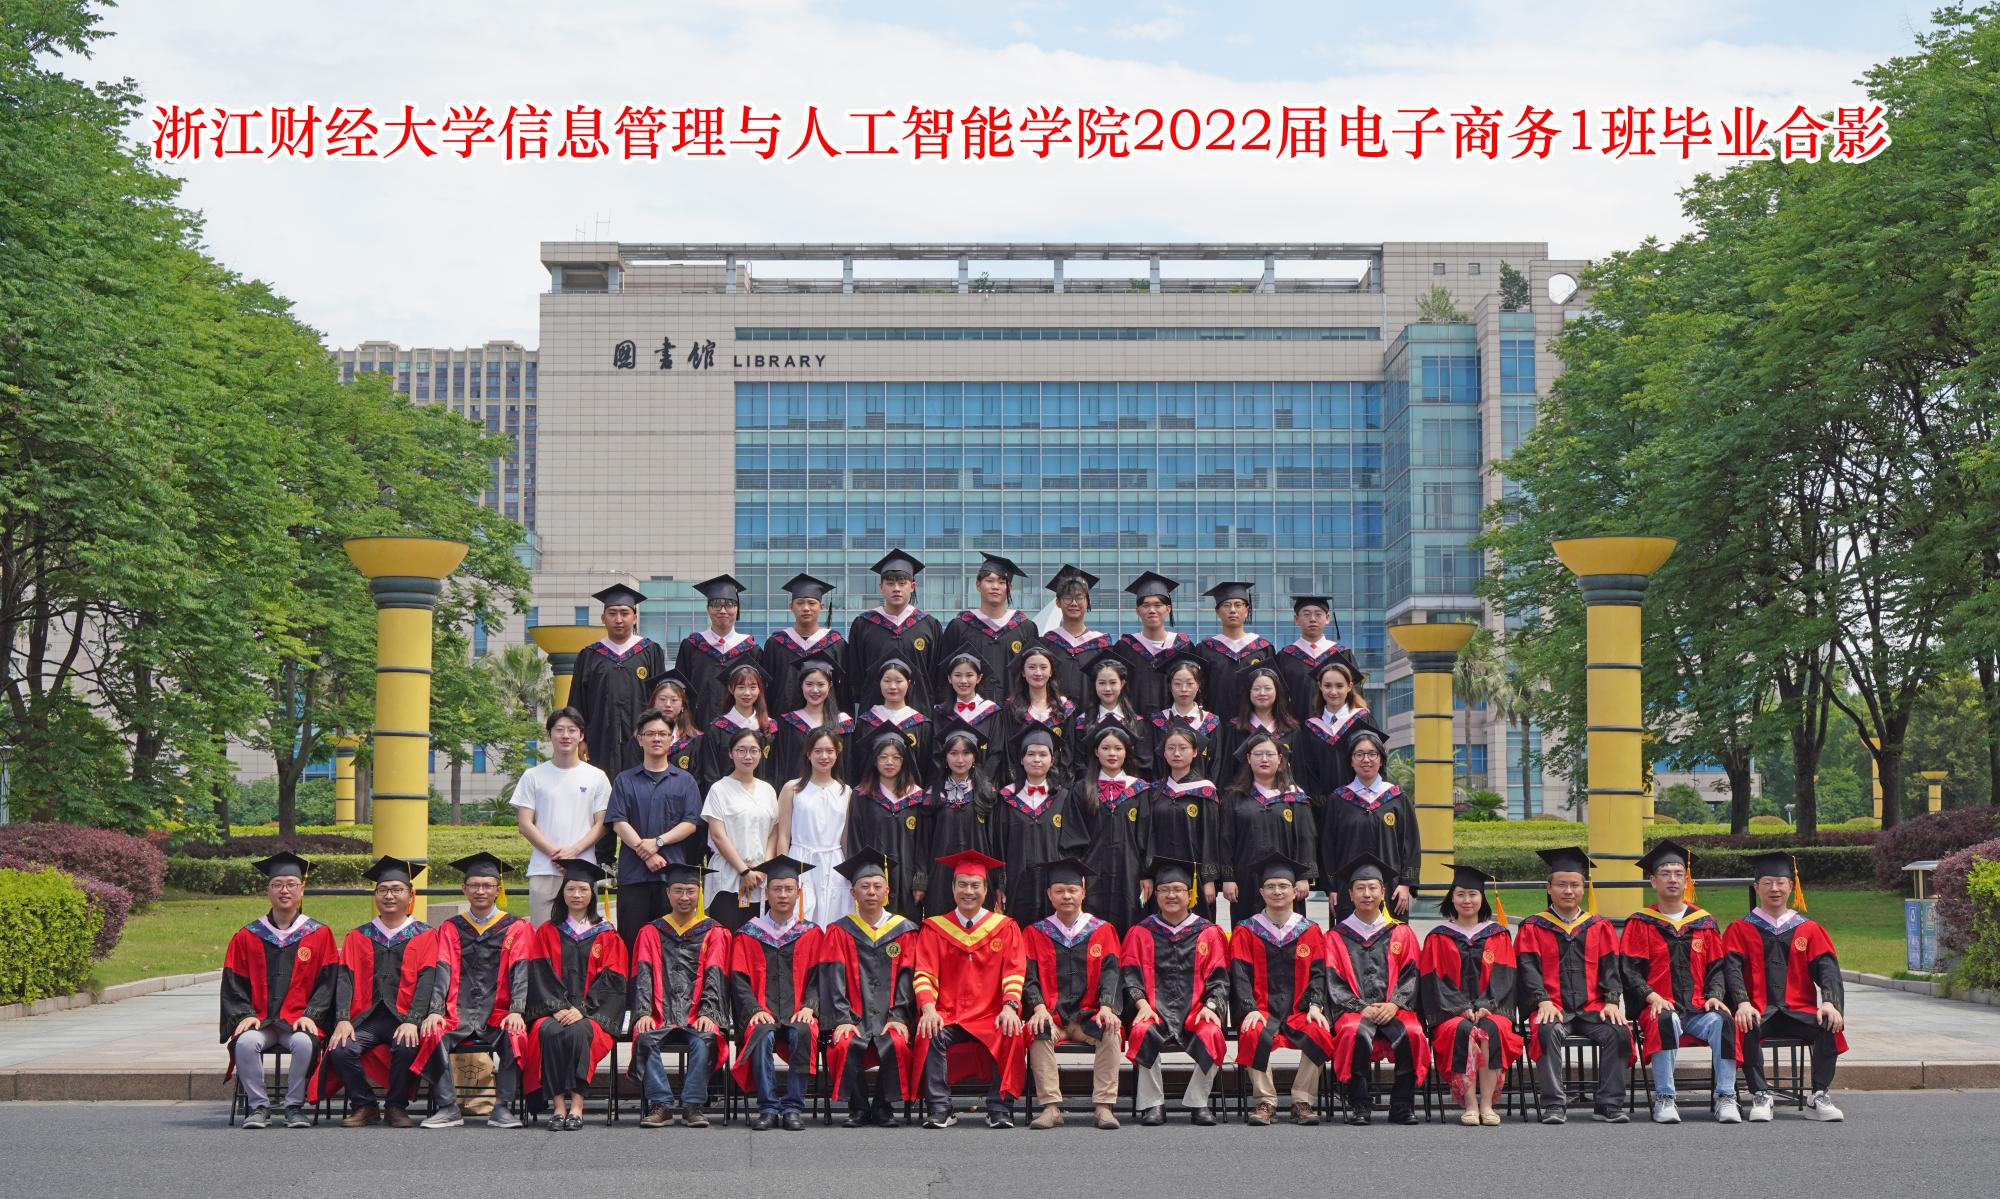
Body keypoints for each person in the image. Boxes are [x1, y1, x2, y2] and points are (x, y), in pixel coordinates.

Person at [416, 852, 538, 1130]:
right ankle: (448, 1107)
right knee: (432, 1032)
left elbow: (521, 971)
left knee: (516, 1035)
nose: (480, 891)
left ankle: (502, 1107)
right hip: (456, 1012)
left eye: (487, 885)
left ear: (498, 889)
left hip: (499, 1012)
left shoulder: (516, 928)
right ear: (464, 889)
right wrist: (435, 1011)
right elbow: (442, 969)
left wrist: (517, 1010)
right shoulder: (451, 928)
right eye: (474, 885)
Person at [1725, 852, 1847, 1123]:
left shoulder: (1809, 929)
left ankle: (1819, 1095)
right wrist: (1742, 1003)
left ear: (1791, 886)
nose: (1775, 889)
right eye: (1767, 883)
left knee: (1829, 1022)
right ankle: (1760, 1094)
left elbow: (1827, 969)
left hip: (1798, 1011)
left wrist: (1830, 1002)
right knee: (1744, 1023)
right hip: (1759, 1011)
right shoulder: (1740, 929)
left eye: (1780, 882)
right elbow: (1732, 971)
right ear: (1756, 888)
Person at [1622, 839, 1737, 1124]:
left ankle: (1726, 1096)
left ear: (1687, 881)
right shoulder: (1641, 922)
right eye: (1665, 873)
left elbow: (1717, 967)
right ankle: (1665, 1098)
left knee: (1723, 1021)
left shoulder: (1704, 922)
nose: (1672, 879)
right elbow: (1630, 970)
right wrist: (1651, 996)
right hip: (1659, 1007)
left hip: (1698, 1009)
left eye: (1678, 874)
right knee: (1665, 1019)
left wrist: (1716, 994)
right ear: (1653, 881)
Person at [220, 852, 338, 1129]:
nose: (284, 890)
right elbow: (233, 982)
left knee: (304, 1043)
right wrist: (245, 1014)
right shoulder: (247, 936)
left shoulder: (319, 934)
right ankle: (258, 1107)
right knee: (246, 1043)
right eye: (277, 884)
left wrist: (312, 1014)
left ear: (301, 890)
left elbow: (329, 982)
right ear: (268, 890)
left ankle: (293, 1106)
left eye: (291, 884)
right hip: (261, 1020)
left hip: (298, 1020)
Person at [912, 849, 1028, 1129]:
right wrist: (928, 1009)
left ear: (986, 889)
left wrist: (1009, 1007)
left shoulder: (1005, 927)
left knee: (1012, 1030)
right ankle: (940, 1108)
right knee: (929, 1031)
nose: (968, 891)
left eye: (975, 885)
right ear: (952, 888)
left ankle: (999, 1108)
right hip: (948, 1014)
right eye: (962, 884)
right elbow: (924, 973)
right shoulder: (935, 929)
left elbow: (1014, 971)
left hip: (990, 1014)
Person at [1515, 846, 1631, 1125]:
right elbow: (1527, 968)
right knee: (1546, 1031)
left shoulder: (1599, 926)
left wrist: (1611, 1001)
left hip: (1592, 1008)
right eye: (1561, 884)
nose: (1568, 891)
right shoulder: (1533, 927)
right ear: (1549, 888)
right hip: (1552, 1006)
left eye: (1575, 885)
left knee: (1618, 1032)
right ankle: (1554, 1104)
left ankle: (1608, 1104)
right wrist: (1542, 999)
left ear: (1584, 887)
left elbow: (1611, 967)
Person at [326, 855, 438, 1128]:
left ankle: (395, 1106)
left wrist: (413, 1020)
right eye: (383, 890)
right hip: (368, 1018)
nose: (389, 896)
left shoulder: (425, 935)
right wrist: (342, 1019)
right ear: (375, 895)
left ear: (410, 895)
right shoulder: (358, 936)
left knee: (407, 1045)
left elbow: (427, 980)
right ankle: (364, 1105)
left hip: (403, 1017)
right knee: (340, 1049)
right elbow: (345, 978)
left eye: (397, 890)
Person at [1020, 858, 1126, 1130]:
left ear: (1083, 892)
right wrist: (1038, 1008)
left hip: (1088, 1015)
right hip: (1053, 1016)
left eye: (1072, 890)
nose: (1066, 896)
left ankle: (1104, 1106)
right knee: (1037, 1030)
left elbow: (1112, 973)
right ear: (1049, 895)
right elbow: (1028, 977)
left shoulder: (1102, 930)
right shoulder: (1035, 933)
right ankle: (1051, 1107)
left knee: (1111, 1030)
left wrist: (1106, 1007)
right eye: (1059, 891)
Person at [1323, 853, 1428, 1125]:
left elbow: (1412, 974)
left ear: (1383, 892)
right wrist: (1362, 1008)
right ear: (1350, 894)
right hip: (1354, 1010)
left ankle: (1402, 1105)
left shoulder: (1401, 932)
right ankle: (1360, 1103)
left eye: (1373, 888)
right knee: (1352, 1031)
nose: (1367, 894)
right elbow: (1333, 980)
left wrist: (1394, 1003)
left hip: (1395, 1008)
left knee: (1413, 1032)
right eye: (1360, 888)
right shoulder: (1336, 937)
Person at [1228, 852, 1333, 1126]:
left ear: (1295, 892)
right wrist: (1249, 1009)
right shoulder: (1247, 930)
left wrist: (1315, 1005)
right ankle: (1265, 1102)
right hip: (1262, 1009)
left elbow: (1319, 973)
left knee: (1319, 1030)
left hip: (1299, 1010)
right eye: (1271, 886)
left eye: (1283, 886)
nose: (1277, 891)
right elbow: (1239, 976)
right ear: (1261, 892)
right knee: (1252, 1031)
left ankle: (1302, 1100)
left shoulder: (1310, 931)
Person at [1121, 858, 1227, 1126]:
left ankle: (1198, 1102)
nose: (1171, 895)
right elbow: (1130, 976)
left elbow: (1219, 979)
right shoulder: (1140, 932)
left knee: (1212, 1032)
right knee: (1141, 1030)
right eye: (1164, 889)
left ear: (1190, 895)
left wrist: (1211, 1006)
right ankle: (1153, 1104)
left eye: (1178, 889)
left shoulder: (1208, 932)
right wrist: (1142, 1005)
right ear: (1155, 894)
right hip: (1153, 1009)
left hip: (1195, 1010)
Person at [821, 848, 923, 1127]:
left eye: (877, 886)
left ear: (887, 891)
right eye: (864, 886)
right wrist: (842, 1019)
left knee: (898, 1042)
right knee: (844, 1042)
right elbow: (833, 978)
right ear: (853, 893)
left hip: (891, 1015)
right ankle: (858, 1108)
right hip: (853, 1016)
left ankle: (882, 1107)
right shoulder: (839, 931)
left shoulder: (904, 930)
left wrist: (899, 1016)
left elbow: (907, 978)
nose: (871, 892)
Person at [523, 859, 627, 1130]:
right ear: (563, 893)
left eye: (582, 889)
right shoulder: (547, 931)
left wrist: (582, 1009)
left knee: (580, 1032)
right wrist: (556, 1007)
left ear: (592, 893)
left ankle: (577, 1106)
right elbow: (538, 973)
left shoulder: (607, 934)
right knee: (547, 1031)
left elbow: (613, 979)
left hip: (592, 1013)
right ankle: (558, 1106)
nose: (576, 895)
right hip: (553, 1010)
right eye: (570, 889)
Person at [1418, 863, 1522, 1127]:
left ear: (1482, 898)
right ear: (1452, 898)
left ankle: (1487, 1104)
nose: (1467, 900)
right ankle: (1470, 1104)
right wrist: (1460, 1007)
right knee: (1463, 1030)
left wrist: (1486, 1005)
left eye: (1473, 894)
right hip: (1450, 1013)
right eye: (1461, 894)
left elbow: (1504, 976)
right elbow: (1433, 980)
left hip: (1492, 1009)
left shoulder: (1498, 935)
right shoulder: (1438, 937)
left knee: (1490, 1029)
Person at [629, 863, 731, 1129]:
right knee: (644, 1036)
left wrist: (710, 1013)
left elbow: (716, 974)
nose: (685, 897)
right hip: (659, 1013)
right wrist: (643, 1013)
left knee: (706, 1038)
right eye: (678, 891)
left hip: (697, 1014)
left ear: (699, 893)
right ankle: (661, 1104)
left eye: (690, 891)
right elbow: (643, 973)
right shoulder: (651, 931)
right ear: (668, 893)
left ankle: (693, 1105)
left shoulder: (714, 932)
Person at [728, 855, 825, 1131]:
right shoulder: (749, 934)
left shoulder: (811, 933)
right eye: (777, 889)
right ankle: (768, 1107)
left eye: (789, 889)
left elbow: (821, 976)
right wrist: (755, 1010)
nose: (783, 894)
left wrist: (810, 1006)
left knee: (803, 1031)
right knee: (761, 1032)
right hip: (762, 1010)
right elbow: (739, 980)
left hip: (798, 1010)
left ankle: (793, 1107)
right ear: (766, 893)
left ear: (798, 893)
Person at [605, 707, 703, 944]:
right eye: (650, 734)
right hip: (633, 877)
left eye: (662, 734)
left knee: (669, 945)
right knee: (631, 942)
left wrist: (658, 842)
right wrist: (647, 853)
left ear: (671, 739)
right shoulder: (625, 780)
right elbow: (618, 822)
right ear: (640, 739)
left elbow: (690, 823)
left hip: (671, 877)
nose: (656, 738)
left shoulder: (685, 781)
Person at [511, 707, 612, 927]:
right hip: (544, 869)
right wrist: (555, 855)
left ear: (581, 735)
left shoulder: (597, 777)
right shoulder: (532, 776)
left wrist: (573, 853)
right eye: (559, 730)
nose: (565, 735)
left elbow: (603, 824)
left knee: (583, 937)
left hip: (583, 870)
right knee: (542, 936)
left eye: (572, 730)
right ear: (549, 735)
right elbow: (525, 823)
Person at [568, 582, 668, 786]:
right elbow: (577, 701)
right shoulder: (590, 655)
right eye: (612, 613)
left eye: (624, 613)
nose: (618, 619)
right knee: (602, 787)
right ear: (603, 618)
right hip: (600, 738)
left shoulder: (650, 651)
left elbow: (661, 698)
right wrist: (581, 739)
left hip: (643, 738)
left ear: (635, 618)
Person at [993, 729, 1092, 927]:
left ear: (1052, 760)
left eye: (1043, 754)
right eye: (1030, 754)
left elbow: (1074, 846)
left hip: (1052, 884)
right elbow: (998, 844)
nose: (1036, 760)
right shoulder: (1006, 798)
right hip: (1016, 882)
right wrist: (1000, 883)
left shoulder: (1063, 798)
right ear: (1021, 759)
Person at [1219, 731, 1319, 925]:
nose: (1264, 759)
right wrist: (1228, 878)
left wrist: (1303, 877)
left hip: (1286, 881)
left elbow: (1305, 838)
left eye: (1270, 754)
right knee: (1246, 929)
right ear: (1249, 759)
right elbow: (1226, 839)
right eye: (1258, 754)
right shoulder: (1234, 797)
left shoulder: (1295, 797)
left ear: (1280, 759)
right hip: (1245, 879)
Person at [1319, 730, 1417, 921]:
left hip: (1391, 889)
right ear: (1351, 760)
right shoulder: (1338, 799)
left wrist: (1406, 884)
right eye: (1359, 754)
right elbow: (1327, 847)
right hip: (1348, 890)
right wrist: (1332, 887)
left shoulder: (1397, 798)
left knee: (1391, 937)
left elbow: (1410, 843)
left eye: (1372, 754)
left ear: (1381, 760)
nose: (1366, 759)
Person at [701, 726, 782, 931]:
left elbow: (773, 832)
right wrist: (744, 871)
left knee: (756, 939)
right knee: (726, 936)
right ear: (730, 753)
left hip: (760, 879)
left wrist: (763, 868)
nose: (748, 756)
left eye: (753, 750)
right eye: (741, 750)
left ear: (761, 753)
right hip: (728, 877)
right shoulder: (719, 789)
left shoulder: (768, 790)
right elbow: (718, 836)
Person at [845, 730, 931, 917]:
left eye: (896, 757)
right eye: (883, 757)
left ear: (904, 761)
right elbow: (855, 840)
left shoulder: (917, 797)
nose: (889, 762)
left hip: (908, 878)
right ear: (874, 761)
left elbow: (923, 843)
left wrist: (920, 880)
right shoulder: (862, 796)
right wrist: (861, 877)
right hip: (874, 879)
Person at [847, 547, 944, 713]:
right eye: (890, 583)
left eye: (902, 583)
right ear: (881, 587)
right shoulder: (863, 625)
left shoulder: (928, 625)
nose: (896, 588)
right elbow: (856, 674)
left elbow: (935, 674)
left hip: (918, 714)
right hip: (874, 714)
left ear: (912, 586)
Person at [774, 726, 854, 924]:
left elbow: (845, 839)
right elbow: (783, 835)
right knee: (800, 920)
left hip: (834, 863)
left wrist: (850, 873)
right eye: (818, 751)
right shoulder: (792, 788)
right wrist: (783, 872)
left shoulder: (846, 791)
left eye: (829, 751)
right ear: (808, 754)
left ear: (837, 754)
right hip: (800, 860)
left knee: (833, 920)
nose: (824, 756)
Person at [1145, 725, 1225, 922]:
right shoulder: (1154, 792)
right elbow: (1148, 835)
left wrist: (1209, 879)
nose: (1176, 753)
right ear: (1164, 753)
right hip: (1160, 874)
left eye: (1183, 748)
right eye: (1171, 748)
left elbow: (1211, 837)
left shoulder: (1205, 791)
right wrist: (1146, 873)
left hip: (1196, 876)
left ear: (1195, 752)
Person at [1076, 724, 1150, 931]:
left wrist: (1146, 873)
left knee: (1130, 919)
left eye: (1118, 748)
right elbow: (1075, 834)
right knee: (1094, 923)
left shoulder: (1140, 789)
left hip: (1130, 869)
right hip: (1093, 870)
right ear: (1096, 751)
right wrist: (1078, 873)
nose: (1112, 754)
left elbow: (1147, 834)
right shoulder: (1082, 789)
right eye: (1106, 748)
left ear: (1127, 752)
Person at [923, 724, 1001, 917]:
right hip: (940, 874)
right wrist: (921, 880)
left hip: (978, 875)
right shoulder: (933, 794)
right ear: (945, 756)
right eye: (953, 753)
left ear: (975, 756)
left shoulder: (987, 793)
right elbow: (923, 841)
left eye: (966, 753)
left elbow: (995, 839)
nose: (960, 760)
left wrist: (999, 881)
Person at [936, 553, 1034, 703]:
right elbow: (944, 674)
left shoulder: (1025, 628)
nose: (995, 586)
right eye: (989, 581)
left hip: (1015, 710)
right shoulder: (960, 626)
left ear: (1009, 587)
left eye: (1002, 582)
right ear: (978, 585)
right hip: (971, 711)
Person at [675, 573, 765, 723]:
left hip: (741, 727)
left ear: (737, 609)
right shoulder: (692, 646)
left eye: (729, 604)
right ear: (708, 609)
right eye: (716, 604)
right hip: (698, 724)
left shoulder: (751, 649)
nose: (722, 610)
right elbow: (680, 688)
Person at [1292, 659, 1381, 801]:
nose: (1333, 692)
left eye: (1339, 686)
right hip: (1321, 805)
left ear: (1349, 686)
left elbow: (1376, 760)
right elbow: (1307, 770)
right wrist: (1319, 801)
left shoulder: (1363, 720)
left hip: (1359, 801)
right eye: (1327, 685)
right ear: (1320, 686)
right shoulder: (1311, 727)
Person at [1191, 581, 1274, 724]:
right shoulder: (1205, 648)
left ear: (1246, 610)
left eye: (1238, 605)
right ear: (1217, 612)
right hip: (1216, 722)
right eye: (1226, 605)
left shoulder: (1263, 648)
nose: (1233, 610)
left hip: (1253, 724)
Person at [764, 572, 848, 714]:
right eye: (800, 603)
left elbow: (844, 688)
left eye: (811, 603)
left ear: (821, 606)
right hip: (783, 719)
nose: (806, 608)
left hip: (825, 720)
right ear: (791, 607)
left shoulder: (835, 643)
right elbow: (768, 687)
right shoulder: (776, 643)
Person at [1112, 571, 1193, 717]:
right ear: (1138, 611)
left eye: (1158, 605)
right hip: (1134, 722)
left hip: (1174, 723)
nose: (1152, 610)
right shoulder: (1124, 647)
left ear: (1168, 609)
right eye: (1146, 605)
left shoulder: (1183, 647)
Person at [1273, 595, 1361, 726]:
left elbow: (1355, 695)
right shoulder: (1285, 656)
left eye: (1318, 614)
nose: (1312, 619)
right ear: (1296, 620)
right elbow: (1278, 698)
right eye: (1306, 614)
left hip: (1337, 728)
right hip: (1296, 728)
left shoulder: (1342, 654)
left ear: (1327, 618)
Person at [998, 644, 1077, 786]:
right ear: (1023, 672)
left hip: (1057, 783)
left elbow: (1068, 750)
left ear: (1051, 671)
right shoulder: (1011, 708)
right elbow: (1009, 749)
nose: (1038, 672)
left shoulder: (1064, 708)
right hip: (1020, 783)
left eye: (1043, 667)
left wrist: (1062, 783)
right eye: (1032, 667)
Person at [695, 662, 780, 791]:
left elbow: (776, 770)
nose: (747, 693)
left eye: (753, 687)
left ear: (759, 690)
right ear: (731, 689)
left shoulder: (769, 727)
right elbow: (711, 772)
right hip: (726, 797)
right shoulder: (717, 728)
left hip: (761, 796)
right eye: (741, 687)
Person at [851, 657, 933, 789]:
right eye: (887, 681)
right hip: (872, 793)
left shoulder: (921, 724)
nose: (892, 686)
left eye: (899, 681)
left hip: (909, 795)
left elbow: (925, 766)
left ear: (908, 683)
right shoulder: (867, 721)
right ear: (879, 683)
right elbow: (858, 762)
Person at [772, 657, 852, 789]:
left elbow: (848, 766)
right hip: (798, 791)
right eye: (809, 684)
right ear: (801, 685)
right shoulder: (788, 722)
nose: (815, 690)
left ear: (830, 686)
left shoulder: (842, 723)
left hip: (834, 792)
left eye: (821, 684)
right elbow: (781, 765)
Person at [1038, 564, 1113, 702]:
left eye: (1079, 597)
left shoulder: (1102, 646)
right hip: (1054, 712)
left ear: (1087, 601)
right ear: (1058, 602)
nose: (1073, 603)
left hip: (1091, 714)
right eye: (1067, 597)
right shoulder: (1047, 644)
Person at [1072, 653, 1154, 779]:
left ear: (1122, 683)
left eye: (1113, 682)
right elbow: (1079, 764)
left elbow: (1144, 763)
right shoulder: (1082, 722)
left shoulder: (1137, 722)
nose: (1107, 688)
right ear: (1094, 684)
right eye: (1101, 683)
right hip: (1091, 786)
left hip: (1128, 787)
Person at [1145, 652, 1219, 784]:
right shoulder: (1158, 722)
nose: (1184, 689)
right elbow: (1153, 765)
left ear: (1198, 685)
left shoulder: (1211, 722)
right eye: (1177, 684)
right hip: (1163, 792)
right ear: (1170, 686)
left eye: (1190, 683)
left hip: (1201, 791)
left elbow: (1217, 764)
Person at [1215, 665, 1296, 780]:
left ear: (1277, 691)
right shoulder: (1235, 728)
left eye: (1268, 688)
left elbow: (1298, 771)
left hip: (1283, 790)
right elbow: (1228, 770)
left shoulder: (1290, 729)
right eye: (1256, 689)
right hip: (1243, 790)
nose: (1262, 693)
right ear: (1249, 692)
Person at [934, 651, 1004, 781]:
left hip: (984, 783)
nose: (963, 681)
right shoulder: (941, 713)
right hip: (948, 783)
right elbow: (937, 752)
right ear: (949, 678)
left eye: (969, 675)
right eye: (957, 675)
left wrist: (982, 783)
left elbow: (996, 751)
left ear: (979, 678)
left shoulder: (991, 711)